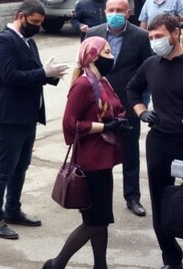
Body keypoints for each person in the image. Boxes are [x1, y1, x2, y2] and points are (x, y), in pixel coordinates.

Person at [43, 36, 131, 269]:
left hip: (104, 159)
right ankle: (55, 264)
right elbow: (70, 124)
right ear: (92, 57)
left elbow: (112, 107)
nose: (111, 57)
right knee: (95, 221)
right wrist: (105, 127)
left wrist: (119, 120)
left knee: (99, 220)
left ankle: (100, 265)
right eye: (107, 53)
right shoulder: (83, 85)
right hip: (90, 162)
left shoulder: (103, 82)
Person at [0, 0, 69, 240]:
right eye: (34, 22)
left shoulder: (28, 41)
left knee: (20, 167)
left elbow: (31, 74)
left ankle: (12, 210)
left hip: (27, 117)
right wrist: (44, 73)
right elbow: (10, 76)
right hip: (8, 118)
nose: (37, 27)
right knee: (3, 170)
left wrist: (51, 75)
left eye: (40, 23)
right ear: (21, 16)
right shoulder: (3, 40)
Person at [85, 0, 152, 217]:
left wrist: (141, 104)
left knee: (130, 151)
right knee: (97, 150)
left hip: (127, 104)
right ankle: (93, 196)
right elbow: (85, 66)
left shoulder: (141, 37)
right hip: (98, 105)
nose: (115, 14)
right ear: (104, 12)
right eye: (111, 10)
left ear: (129, 13)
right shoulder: (93, 34)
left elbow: (147, 72)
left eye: (119, 11)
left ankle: (132, 196)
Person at [127, 14, 183, 269]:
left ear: (175, 33)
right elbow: (132, 88)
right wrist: (142, 111)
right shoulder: (151, 64)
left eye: (159, 36)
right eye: (151, 37)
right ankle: (171, 257)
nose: (154, 42)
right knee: (160, 201)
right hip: (159, 142)